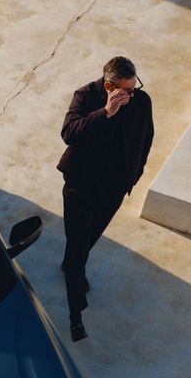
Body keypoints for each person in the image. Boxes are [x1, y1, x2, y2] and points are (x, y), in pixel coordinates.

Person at [56, 56, 153, 342]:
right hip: (81, 184)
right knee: (77, 242)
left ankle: (72, 263)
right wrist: (106, 112)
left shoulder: (141, 101)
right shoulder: (86, 97)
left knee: (91, 234)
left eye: (134, 88)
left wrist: (134, 173)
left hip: (114, 186)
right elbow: (68, 133)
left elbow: (146, 137)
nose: (131, 95)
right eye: (125, 90)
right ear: (110, 86)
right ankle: (76, 314)